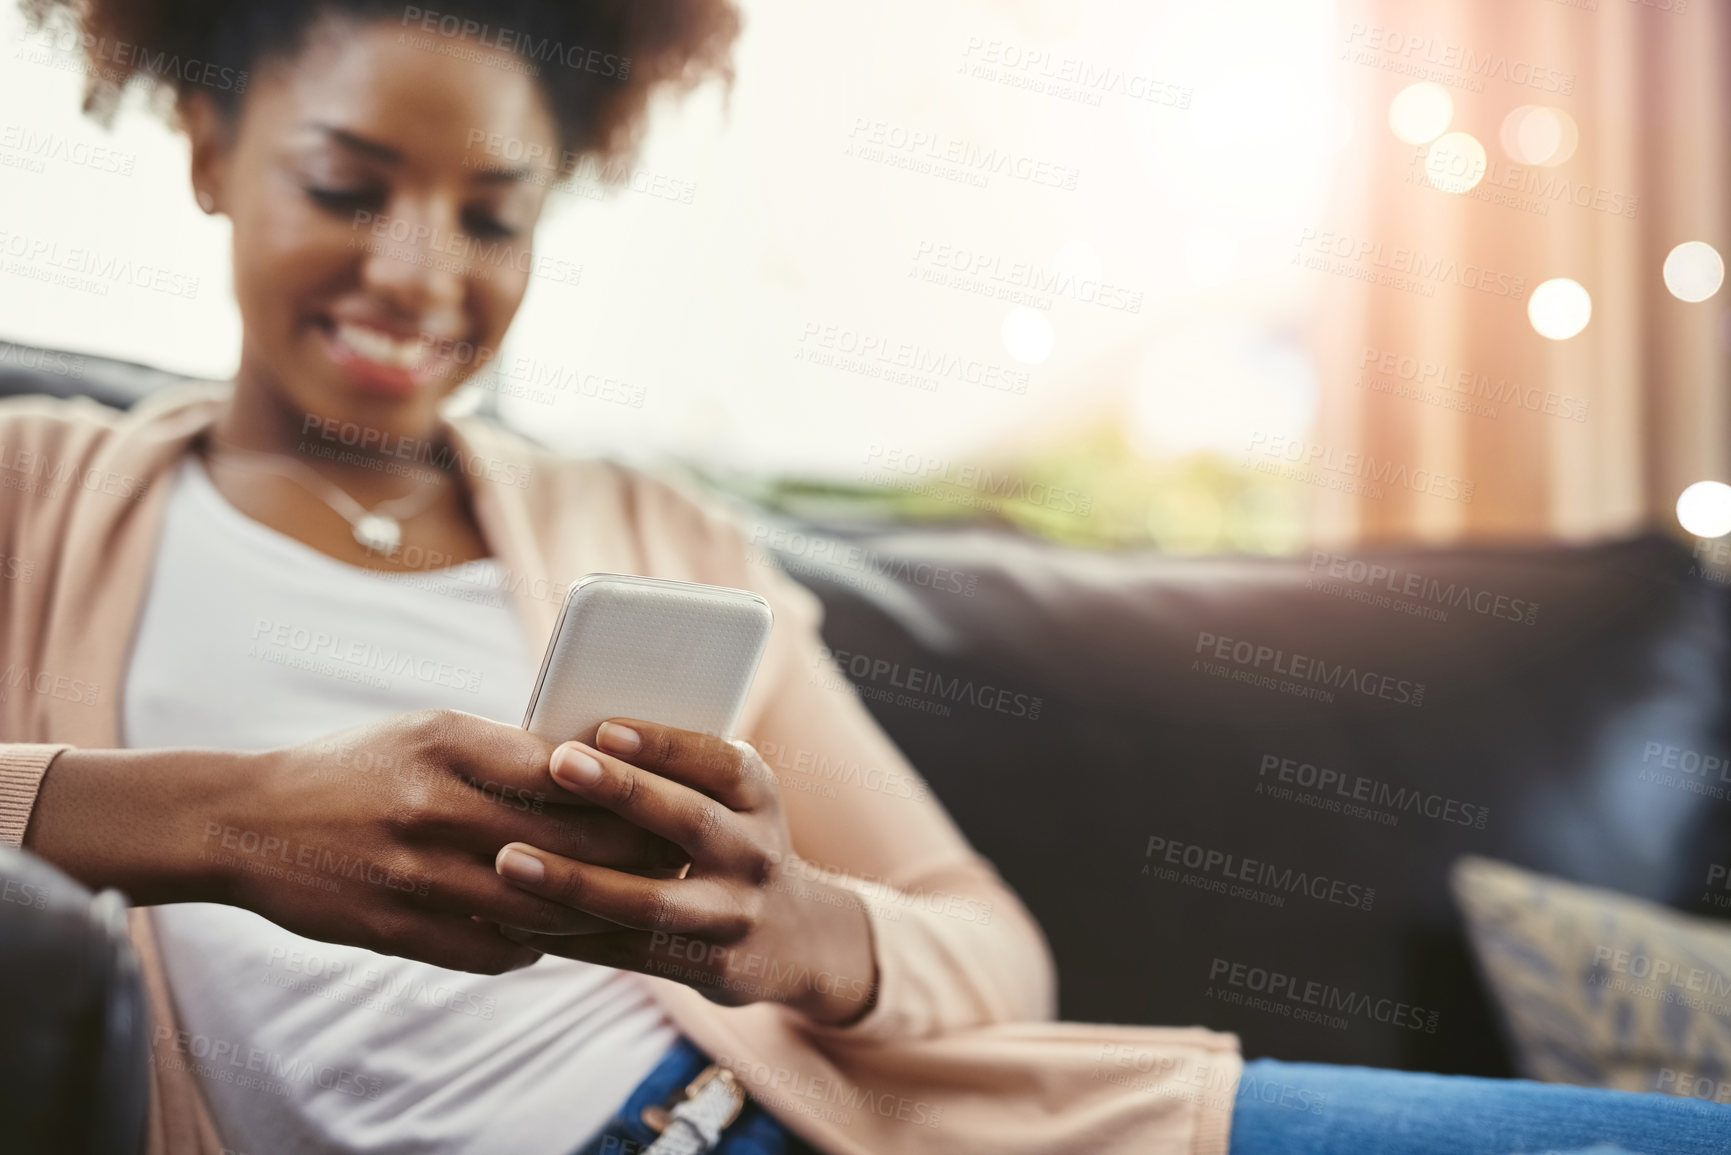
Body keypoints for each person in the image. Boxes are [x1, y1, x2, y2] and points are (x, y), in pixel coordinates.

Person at [0, 2, 1725, 1153]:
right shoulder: (35, 489)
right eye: (346, 185)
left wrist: (791, 929)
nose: (417, 270)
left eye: (492, 215)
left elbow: (992, 953)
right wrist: (224, 818)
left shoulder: (657, 535)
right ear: (212, 149)